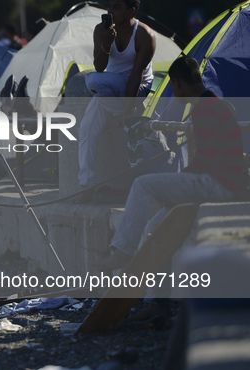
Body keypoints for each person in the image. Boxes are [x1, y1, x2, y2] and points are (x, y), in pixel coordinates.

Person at [93, 56, 248, 314]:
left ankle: (122, 250)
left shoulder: (205, 108)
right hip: (218, 180)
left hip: (219, 183)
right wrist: (176, 188)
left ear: (177, 83)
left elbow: (206, 163)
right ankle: (157, 302)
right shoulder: (213, 103)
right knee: (155, 228)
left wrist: (175, 188)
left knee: (143, 185)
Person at [75, 0, 156, 202]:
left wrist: (128, 110)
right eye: (109, 6)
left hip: (137, 89)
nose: (110, 12)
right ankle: (87, 185)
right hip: (109, 88)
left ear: (132, 11)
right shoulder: (100, 31)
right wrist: (106, 43)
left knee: (92, 80)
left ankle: (124, 116)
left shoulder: (145, 35)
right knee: (85, 129)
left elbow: (137, 74)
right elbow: (100, 67)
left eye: (116, 7)